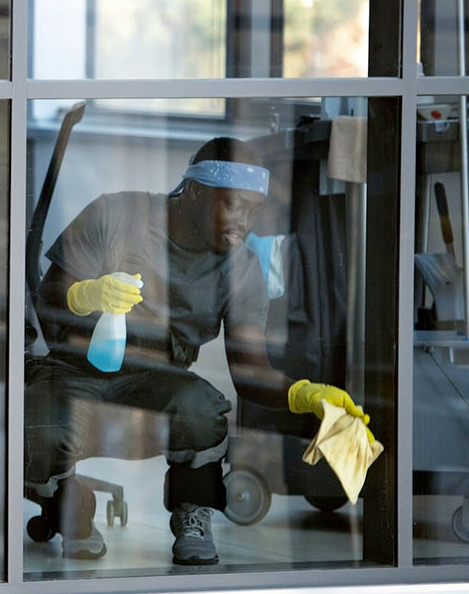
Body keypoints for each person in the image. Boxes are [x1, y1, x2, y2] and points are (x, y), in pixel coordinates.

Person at [25, 137, 372, 566]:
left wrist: (306, 395)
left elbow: (248, 371)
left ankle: (192, 515)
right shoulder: (117, 214)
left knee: (202, 406)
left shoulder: (241, 269)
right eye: (233, 205)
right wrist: (87, 293)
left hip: (156, 377)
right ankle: (67, 500)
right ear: (193, 191)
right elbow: (48, 297)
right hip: (72, 369)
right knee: (35, 425)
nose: (243, 222)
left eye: (254, 210)